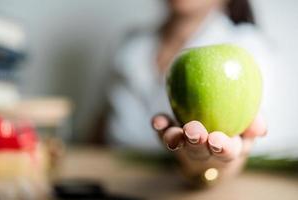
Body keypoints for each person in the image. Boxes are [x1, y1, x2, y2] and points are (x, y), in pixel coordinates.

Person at [106, 0, 269, 182]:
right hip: (113, 179)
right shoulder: (131, 44)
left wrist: (211, 169)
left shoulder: (248, 46)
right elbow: (103, 122)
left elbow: (248, 143)